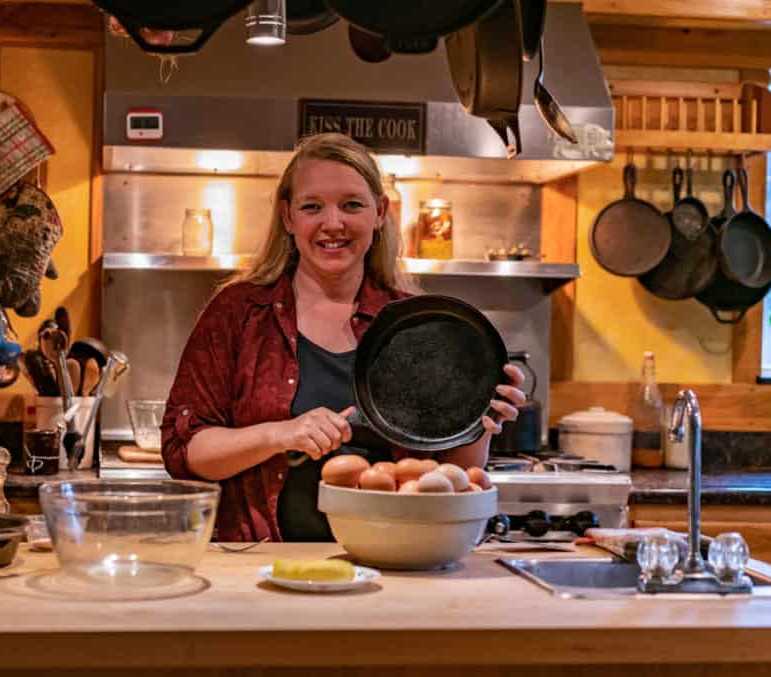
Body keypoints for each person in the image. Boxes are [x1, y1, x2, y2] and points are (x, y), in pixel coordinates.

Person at [161, 133, 526, 542]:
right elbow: (186, 452)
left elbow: (445, 473)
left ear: (380, 212)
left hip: (392, 560)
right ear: (287, 217)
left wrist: (478, 422)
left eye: (352, 205)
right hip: (258, 563)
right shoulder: (238, 313)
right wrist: (280, 434)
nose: (332, 223)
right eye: (312, 206)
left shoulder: (417, 329)